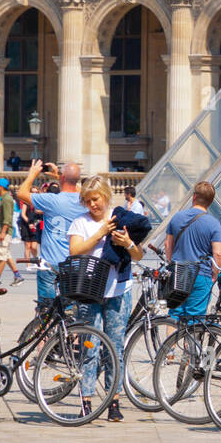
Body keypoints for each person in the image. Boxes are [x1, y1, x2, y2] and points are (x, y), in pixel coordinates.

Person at [67, 175, 145, 422]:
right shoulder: (80, 222)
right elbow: (74, 250)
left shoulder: (121, 218)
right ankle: (86, 400)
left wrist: (128, 243)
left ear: (105, 196)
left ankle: (114, 401)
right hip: (90, 291)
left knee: (115, 347)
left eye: (96, 199)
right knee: (90, 345)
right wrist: (100, 233)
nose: (93, 205)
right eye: (88, 201)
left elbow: (138, 256)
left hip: (118, 290)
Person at [18, 160, 87, 312]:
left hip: (50, 262)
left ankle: (45, 333)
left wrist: (32, 175)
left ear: (62, 178)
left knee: (45, 311)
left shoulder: (51, 200)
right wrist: (61, 177)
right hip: (73, 263)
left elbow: (21, 193)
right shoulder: (85, 201)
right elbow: (77, 186)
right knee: (72, 312)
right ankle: (72, 335)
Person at [164, 182, 221, 321]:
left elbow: (168, 244)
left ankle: (170, 343)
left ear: (194, 197)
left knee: (175, 314)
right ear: (210, 201)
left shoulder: (177, 217)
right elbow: (218, 253)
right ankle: (190, 343)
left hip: (179, 271)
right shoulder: (213, 223)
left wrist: (172, 264)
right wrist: (214, 275)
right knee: (195, 318)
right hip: (201, 274)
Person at [0, 177, 24, 286]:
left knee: (2, 255)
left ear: (1, 187)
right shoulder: (4, 198)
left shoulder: (7, 199)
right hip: (2, 230)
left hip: (4, 231)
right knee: (6, 254)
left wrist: (3, 232)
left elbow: (7, 218)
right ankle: (17, 276)